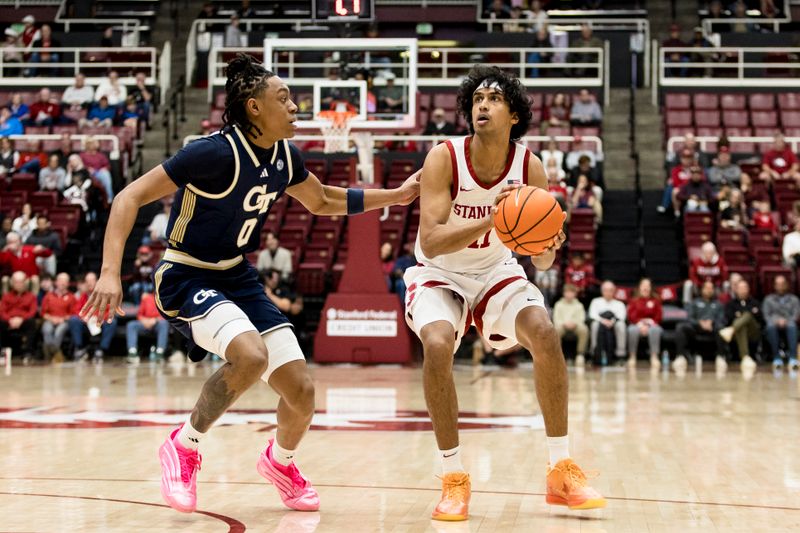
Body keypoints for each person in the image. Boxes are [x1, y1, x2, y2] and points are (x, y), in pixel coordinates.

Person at [79, 54, 420, 515]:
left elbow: (321, 200)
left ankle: (280, 463)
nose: (295, 106)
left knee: (301, 392)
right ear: (254, 107)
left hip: (236, 275)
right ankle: (185, 445)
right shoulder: (212, 153)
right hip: (185, 274)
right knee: (250, 355)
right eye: (284, 98)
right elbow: (129, 196)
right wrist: (108, 272)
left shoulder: (284, 156)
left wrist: (396, 196)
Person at [403, 64, 604, 522]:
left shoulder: (529, 165)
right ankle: (453, 478)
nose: (483, 106)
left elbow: (544, 260)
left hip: (496, 270)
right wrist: (495, 218)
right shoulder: (444, 157)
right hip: (439, 271)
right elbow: (431, 239)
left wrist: (548, 244)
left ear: (514, 114)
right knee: (437, 344)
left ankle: (560, 470)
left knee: (545, 333)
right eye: (477, 99)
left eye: (493, 99)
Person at [674, 280, 727, 373]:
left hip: (713, 328)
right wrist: (699, 323)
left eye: (711, 288)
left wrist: (712, 322)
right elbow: (689, 317)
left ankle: (721, 356)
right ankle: (680, 356)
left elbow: (722, 319)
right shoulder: (694, 302)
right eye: (706, 288)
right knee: (681, 327)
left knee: (721, 328)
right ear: (702, 290)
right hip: (696, 328)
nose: (709, 290)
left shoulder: (719, 304)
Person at [69, 272, 116, 361]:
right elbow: (76, 310)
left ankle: (101, 349)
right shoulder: (83, 296)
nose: (89, 283)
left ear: (97, 282)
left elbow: (110, 310)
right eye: (87, 281)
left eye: (92, 280)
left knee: (112, 321)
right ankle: (79, 348)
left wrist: (99, 318)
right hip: (87, 323)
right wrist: (85, 318)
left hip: (100, 322)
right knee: (73, 320)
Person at [718, 279, 762, 373]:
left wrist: (743, 315)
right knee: (742, 327)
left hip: (753, 333)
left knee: (747, 315)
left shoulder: (755, 303)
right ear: (735, 290)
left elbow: (760, 318)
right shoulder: (730, 304)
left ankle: (731, 329)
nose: (743, 290)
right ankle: (745, 357)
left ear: (749, 289)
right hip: (736, 336)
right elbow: (728, 318)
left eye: (745, 288)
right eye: (740, 288)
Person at [762, 275, 799, 370]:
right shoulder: (768, 299)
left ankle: (793, 358)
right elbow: (766, 316)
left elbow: (796, 315)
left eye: (782, 284)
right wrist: (776, 321)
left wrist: (786, 321)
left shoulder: (794, 299)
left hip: (789, 323)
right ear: (774, 286)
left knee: (792, 326)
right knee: (770, 326)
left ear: (787, 285)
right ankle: (776, 357)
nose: (780, 286)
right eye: (778, 284)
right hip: (773, 323)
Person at [625, 278, 663, 369]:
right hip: (637, 325)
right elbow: (631, 316)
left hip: (652, 325)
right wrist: (641, 325)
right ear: (639, 288)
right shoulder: (633, 301)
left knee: (655, 330)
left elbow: (659, 317)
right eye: (643, 286)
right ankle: (632, 357)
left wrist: (649, 324)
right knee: (632, 330)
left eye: (648, 286)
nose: (645, 288)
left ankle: (654, 357)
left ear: (650, 288)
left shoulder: (656, 301)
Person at [0, 270, 38, 360]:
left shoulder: (31, 296)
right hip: (9, 321)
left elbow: (33, 311)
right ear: (12, 283)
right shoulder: (6, 296)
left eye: (21, 282)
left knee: (32, 323)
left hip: (24, 321)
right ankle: (1, 352)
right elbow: (2, 311)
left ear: (25, 283)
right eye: (16, 282)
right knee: (0, 322)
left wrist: (21, 320)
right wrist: (10, 320)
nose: (19, 284)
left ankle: (27, 352)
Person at [588, 280, 626, 366]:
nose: (608, 292)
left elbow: (622, 317)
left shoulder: (619, 304)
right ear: (602, 291)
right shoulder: (596, 301)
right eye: (605, 290)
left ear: (614, 291)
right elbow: (592, 314)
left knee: (621, 325)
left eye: (610, 290)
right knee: (594, 325)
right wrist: (603, 321)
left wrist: (612, 322)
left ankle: (620, 355)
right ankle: (594, 353)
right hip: (600, 323)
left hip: (614, 324)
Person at [126, 291, 169, 363]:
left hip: (157, 324)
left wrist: (155, 320)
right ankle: (132, 352)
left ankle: (159, 353)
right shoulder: (146, 298)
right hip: (145, 323)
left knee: (164, 323)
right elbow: (139, 314)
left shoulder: (165, 298)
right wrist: (144, 321)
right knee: (131, 325)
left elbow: (168, 315)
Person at [40, 272, 75, 363]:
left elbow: (73, 313)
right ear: (56, 282)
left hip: (64, 321)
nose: (62, 283)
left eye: (65, 281)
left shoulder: (71, 297)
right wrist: (52, 319)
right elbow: (43, 313)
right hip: (50, 319)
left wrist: (62, 319)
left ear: (68, 284)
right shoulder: (48, 296)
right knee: (46, 328)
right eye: (60, 280)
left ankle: (49, 354)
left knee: (60, 330)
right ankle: (55, 354)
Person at [553, 284, 589, 367]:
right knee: (556, 330)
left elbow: (581, 319)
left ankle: (580, 354)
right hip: (562, 326)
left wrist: (574, 323)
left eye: (571, 292)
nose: (569, 294)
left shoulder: (579, 305)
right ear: (564, 293)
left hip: (575, 326)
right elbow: (556, 319)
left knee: (584, 329)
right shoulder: (558, 304)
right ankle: (557, 354)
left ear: (575, 294)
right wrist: (564, 323)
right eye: (567, 292)